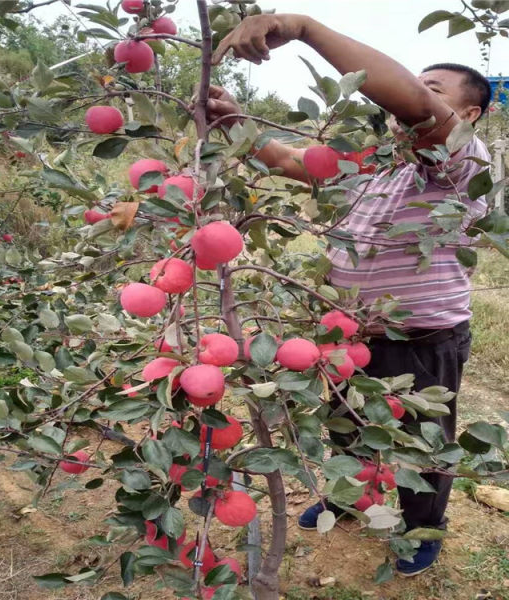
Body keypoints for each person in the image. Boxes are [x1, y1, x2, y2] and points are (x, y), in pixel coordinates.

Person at [206, 13, 492, 576]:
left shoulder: (460, 162)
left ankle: (421, 527)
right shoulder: (377, 165)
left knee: (424, 441)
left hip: (422, 338)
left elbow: (412, 103)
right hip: (351, 334)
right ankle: (346, 496)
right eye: (419, 83)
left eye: (436, 90)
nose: (413, 95)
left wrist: (303, 27)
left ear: (468, 115)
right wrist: (238, 121)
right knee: (345, 422)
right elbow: (293, 163)